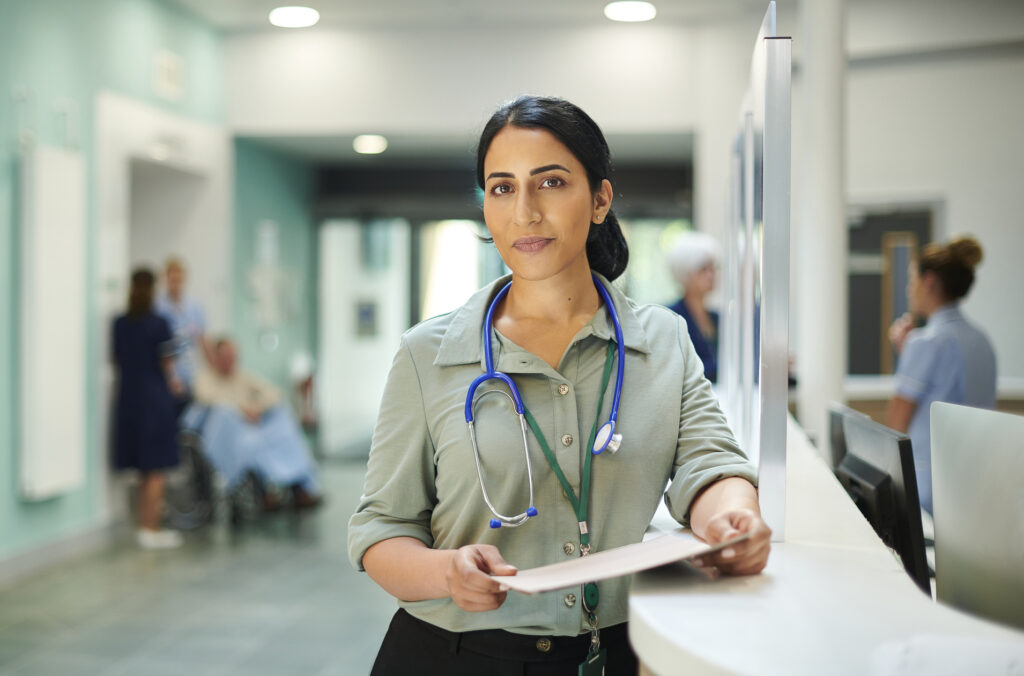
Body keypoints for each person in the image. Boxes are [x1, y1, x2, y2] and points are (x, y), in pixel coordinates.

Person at [349, 96, 771, 676]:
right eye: (502, 188)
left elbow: (711, 466)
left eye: (550, 182)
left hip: (614, 653)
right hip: (453, 655)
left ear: (600, 200)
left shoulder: (662, 341)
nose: (524, 212)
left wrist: (734, 519)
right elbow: (382, 530)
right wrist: (445, 572)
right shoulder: (428, 355)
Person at [887, 235, 996, 514]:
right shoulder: (982, 341)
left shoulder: (926, 342)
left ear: (929, 282)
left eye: (911, 280)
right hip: (976, 485)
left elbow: (895, 426)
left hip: (930, 491)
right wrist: (909, 352)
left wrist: (909, 353)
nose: (909, 289)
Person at [192, 338, 323, 510]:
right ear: (216, 358)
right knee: (252, 444)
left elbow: (274, 393)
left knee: (283, 424)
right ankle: (266, 490)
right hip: (229, 434)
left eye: (232, 356)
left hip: (253, 428)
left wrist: (257, 408)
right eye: (225, 357)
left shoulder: (242, 377)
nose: (230, 361)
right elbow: (208, 399)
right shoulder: (205, 378)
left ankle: (299, 486)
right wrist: (241, 410)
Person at [112, 268, 185, 550]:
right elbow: (168, 364)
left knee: (143, 467)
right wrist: (176, 386)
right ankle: (150, 527)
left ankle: (144, 526)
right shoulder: (160, 324)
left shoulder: (120, 324)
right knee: (156, 468)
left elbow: (118, 359)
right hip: (154, 400)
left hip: (129, 400)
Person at [156, 258, 214, 416]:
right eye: (172, 280)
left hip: (190, 369)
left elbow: (204, 340)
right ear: (166, 279)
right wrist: (170, 377)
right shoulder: (159, 307)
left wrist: (214, 369)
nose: (176, 284)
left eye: (179, 280)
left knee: (190, 413)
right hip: (166, 373)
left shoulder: (195, 307)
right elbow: (160, 348)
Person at [666, 231, 721, 382]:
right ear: (685, 273)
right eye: (703, 269)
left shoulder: (718, 318)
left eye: (713, 268)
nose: (712, 275)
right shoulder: (672, 317)